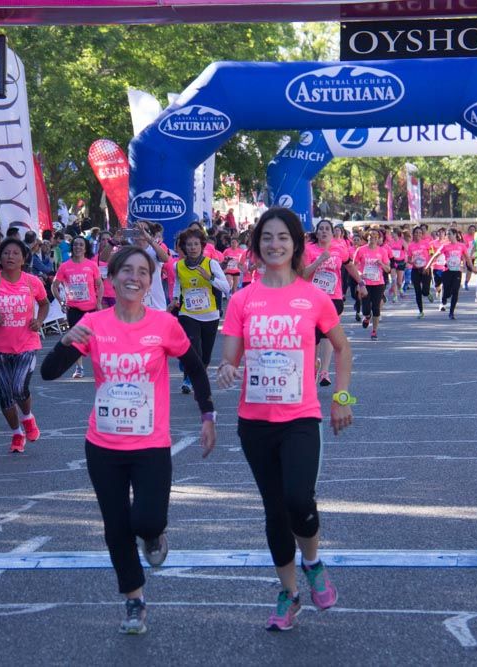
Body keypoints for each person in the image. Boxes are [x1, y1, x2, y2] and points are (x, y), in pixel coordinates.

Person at [40, 245, 217, 635]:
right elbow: (48, 373)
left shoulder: (164, 325)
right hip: (103, 444)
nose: (134, 278)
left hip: (151, 443)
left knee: (148, 518)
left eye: (142, 272)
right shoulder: (94, 323)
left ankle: (153, 534)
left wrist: (208, 414)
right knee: (116, 526)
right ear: (112, 278)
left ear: (151, 282)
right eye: (126, 271)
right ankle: (134, 599)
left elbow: (195, 367)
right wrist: (66, 340)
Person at [216, 207, 354, 632]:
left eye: (283, 238)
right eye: (266, 237)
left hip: (300, 417)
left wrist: (342, 398)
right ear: (257, 245)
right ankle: (289, 594)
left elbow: (343, 349)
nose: (274, 244)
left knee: (299, 500)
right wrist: (225, 369)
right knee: (274, 512)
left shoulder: (311, 296)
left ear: (296, 245)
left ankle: (312, 561)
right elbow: (230, 356)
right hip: (254, 422)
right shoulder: (243, 299)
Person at [0, 238, 50, 451]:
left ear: (24, 258)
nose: (10, 257)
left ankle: (27, 417)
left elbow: (44, 303)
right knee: (5, 394)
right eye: (6, 253)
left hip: (26, 343)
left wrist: (39, 321)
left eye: (16, 253)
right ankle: (16, 434)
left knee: (18, 387)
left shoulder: (32, 282)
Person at [169, 227, 229, 395]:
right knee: (193, 348)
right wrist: (175, 299)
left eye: (196, 244)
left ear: (202, 246)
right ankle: (191, 379)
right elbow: (178, 284)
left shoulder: (211, 264)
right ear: (184, 247)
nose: (193, 248)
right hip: (188, 313)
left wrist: (209, 278)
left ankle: (195, 375)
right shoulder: (178, 266)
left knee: (206, 356)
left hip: (210, 314)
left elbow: (226, 288)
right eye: (189, 245)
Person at [302, 219, 359, 382]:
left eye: (327, 229)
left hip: (333, 298)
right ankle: (314, 365)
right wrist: (319, 260)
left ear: (332, 232)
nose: (324, 231)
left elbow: (349, 266)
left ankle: (324, 371)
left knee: (328, 333)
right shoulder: (309, 250)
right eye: (321, 229)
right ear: (317, 232)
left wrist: (361, 282)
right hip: (312, 299)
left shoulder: (340, 248)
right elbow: (304, 274)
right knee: (314, 336)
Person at [52, 236, 103, 379]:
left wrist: (99, 301)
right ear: (72, 248)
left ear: (85, 248)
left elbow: (99, 284)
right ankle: (79, 367)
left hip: (91, 308)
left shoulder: (91, 265)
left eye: (81, 245)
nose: (78, 247)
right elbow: (54, 286)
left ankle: (101, 366)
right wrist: (61, 301)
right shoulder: (65, 266)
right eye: (75, 245)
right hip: (73, 308)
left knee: (94, 339)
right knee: (75, 339)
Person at [426, 228, 474, 320]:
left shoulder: (461, 246)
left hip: (457, 272)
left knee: (455, 292)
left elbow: (467, 257)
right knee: (447, 291)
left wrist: (471, 267)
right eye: (447, 234)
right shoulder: (445, 246)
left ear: (455, 234)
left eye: (449, 234)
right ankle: (444, 297)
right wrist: (428, 266)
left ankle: (451, 312)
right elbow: (435, 255)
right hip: (447, 271)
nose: (448, 236)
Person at [353, 228, 391, 340]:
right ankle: (367, 317)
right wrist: (359, 274)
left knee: (376, 308)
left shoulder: (382, 251)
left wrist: (381, 264)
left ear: (379, 239)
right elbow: (354, 266)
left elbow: (388, 269)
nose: (373, 237)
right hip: (365, 283)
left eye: (376, 236)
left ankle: (374, 331)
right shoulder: (360, 250)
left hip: (378, 283)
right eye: (371, 235)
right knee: (365, 308)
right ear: (367, 237)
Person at [406, 226, 434, 319]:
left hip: (425, 269)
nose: (418, 234)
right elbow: (409, 259)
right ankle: (421, 311)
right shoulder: (410, 245)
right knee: (417, 291)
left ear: (422, 234)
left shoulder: (427, 243)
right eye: (416, 233)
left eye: (420, 233)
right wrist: (411, 262)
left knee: (424, 291)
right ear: (413, 234)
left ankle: (427, 293)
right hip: (415, 270)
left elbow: (432, 255)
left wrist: (428, 266)